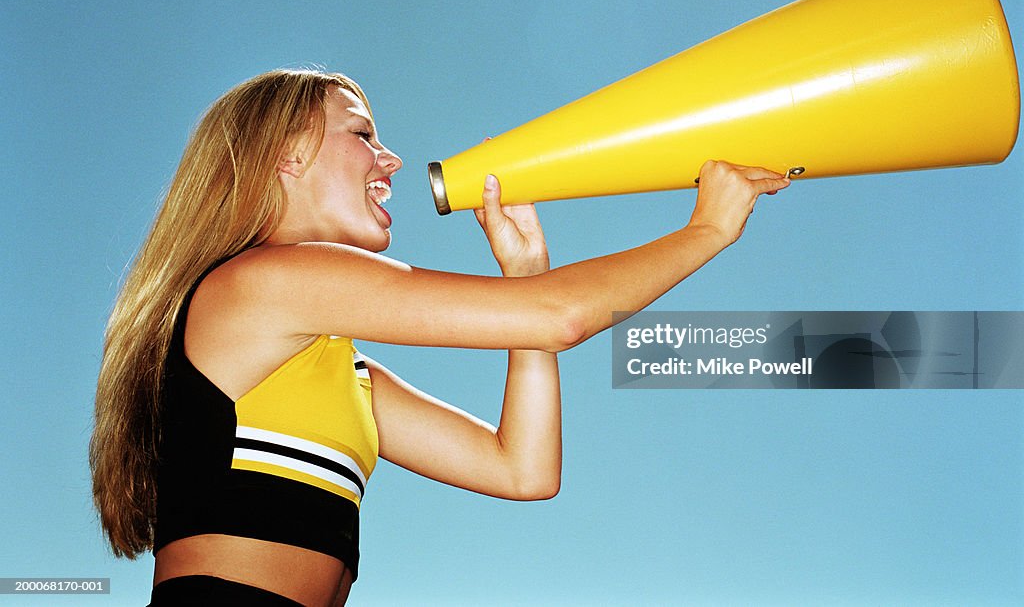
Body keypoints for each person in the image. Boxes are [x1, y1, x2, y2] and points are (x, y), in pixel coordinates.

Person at [90, 69, 789, 606]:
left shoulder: (341, 371)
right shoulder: (266, 281)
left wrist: (526, 276)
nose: (390, 160)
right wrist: (706, 231)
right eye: (362, 135)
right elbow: (562, 316)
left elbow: (523, 470)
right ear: (287, 155)